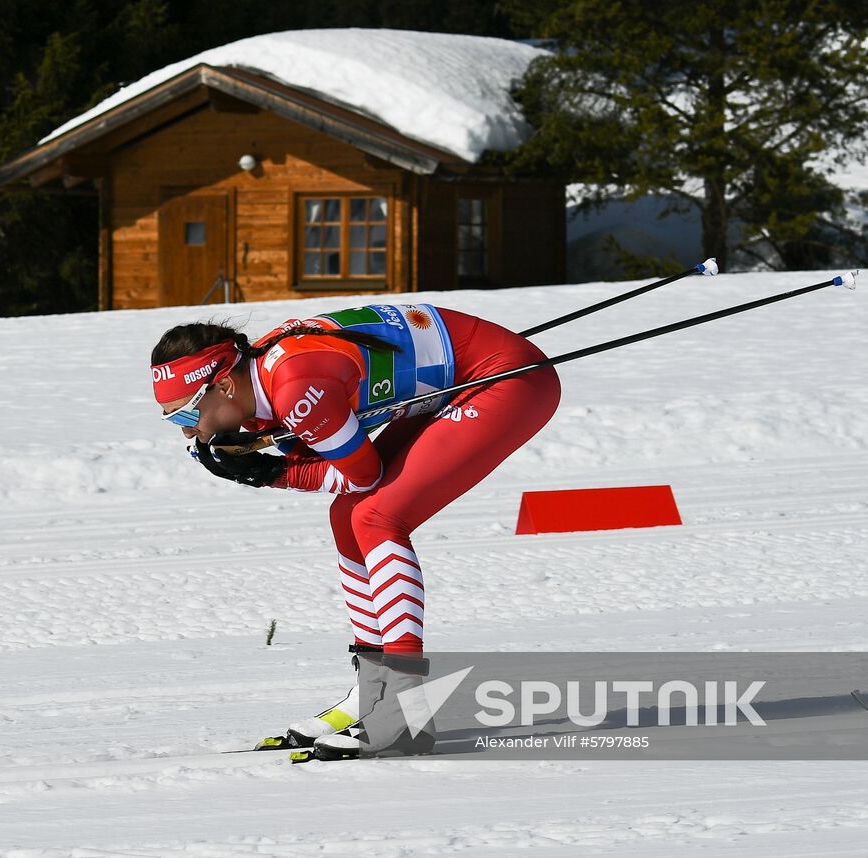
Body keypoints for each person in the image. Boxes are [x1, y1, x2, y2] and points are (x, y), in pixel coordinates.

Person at [150, 303, 561, 757]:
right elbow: (332, 457)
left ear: (224, 384)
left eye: (185, 417)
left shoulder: (293, 388)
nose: (187, 435)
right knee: (346, 518)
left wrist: (270, 474)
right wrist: (265, 458)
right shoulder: (258, 383)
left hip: (508, 379)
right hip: (450, 380)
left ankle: (403, 707)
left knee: (375, 515)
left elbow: (361, 475)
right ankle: (373, 693)